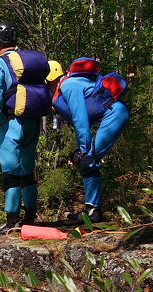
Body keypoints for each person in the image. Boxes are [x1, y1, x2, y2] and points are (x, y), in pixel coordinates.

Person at [0, 20, 57, 234]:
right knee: (27, 170)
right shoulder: (26, 62)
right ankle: (31, 217)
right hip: (33, 122)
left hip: (11, 123)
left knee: (10, 172)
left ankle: (11, 220)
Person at [51, 58, 130, 224]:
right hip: (112, 115)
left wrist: (84, 150)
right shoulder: (69, 85)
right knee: (85, 158)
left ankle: (93, 212)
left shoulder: (68, 86)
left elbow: (80, 121)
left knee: (87, 160)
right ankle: (92, 209)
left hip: (114, 115)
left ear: (49, 79)